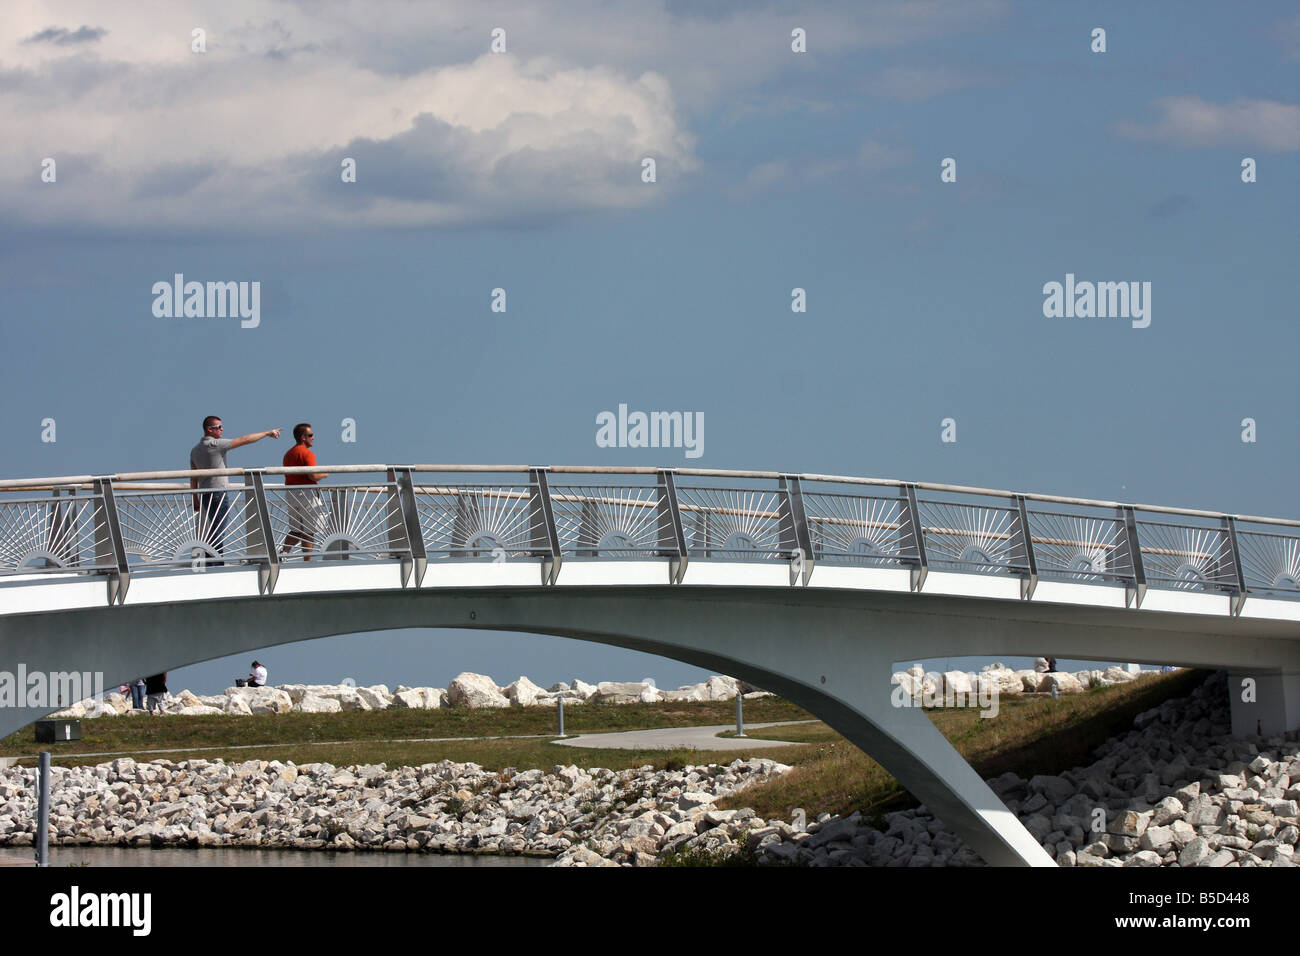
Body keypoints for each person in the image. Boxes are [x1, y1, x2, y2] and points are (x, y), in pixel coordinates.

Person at [189, 416, 281, 566]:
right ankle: (216, 565)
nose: (222, 429)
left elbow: (193, 477)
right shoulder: (215, 444)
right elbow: (244, 439)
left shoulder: (195, 450)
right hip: (218, 493)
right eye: (218, 427)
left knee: (208, 533)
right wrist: (267, 433)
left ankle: (208, 564)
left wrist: (195, 499)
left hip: (205, 495)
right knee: (217, 532)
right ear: (209, 429)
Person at [281, 423, 328, 561]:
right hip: (307, 493)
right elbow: (312, 476)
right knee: (309, 530)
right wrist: (325, 474)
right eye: (311, 435)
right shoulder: (307, 453)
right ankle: (308, 562)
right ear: (303, 437)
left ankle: (284, 553)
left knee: (296, 529)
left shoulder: (288, 454)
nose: (313, 437)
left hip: (291, 493)